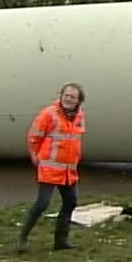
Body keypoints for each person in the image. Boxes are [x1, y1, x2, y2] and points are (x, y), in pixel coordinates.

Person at [17, 83, 86, 252]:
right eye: (66, 95)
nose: (68, 99)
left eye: (72, 97)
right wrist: (35, 157)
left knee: (71, 203)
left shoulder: (79, 116)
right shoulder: (49, 113)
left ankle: (60, 241)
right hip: (50, 167)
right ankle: (22, 238)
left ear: (79, 101)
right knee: (42, 204)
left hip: (68, 169)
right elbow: (34, 136)